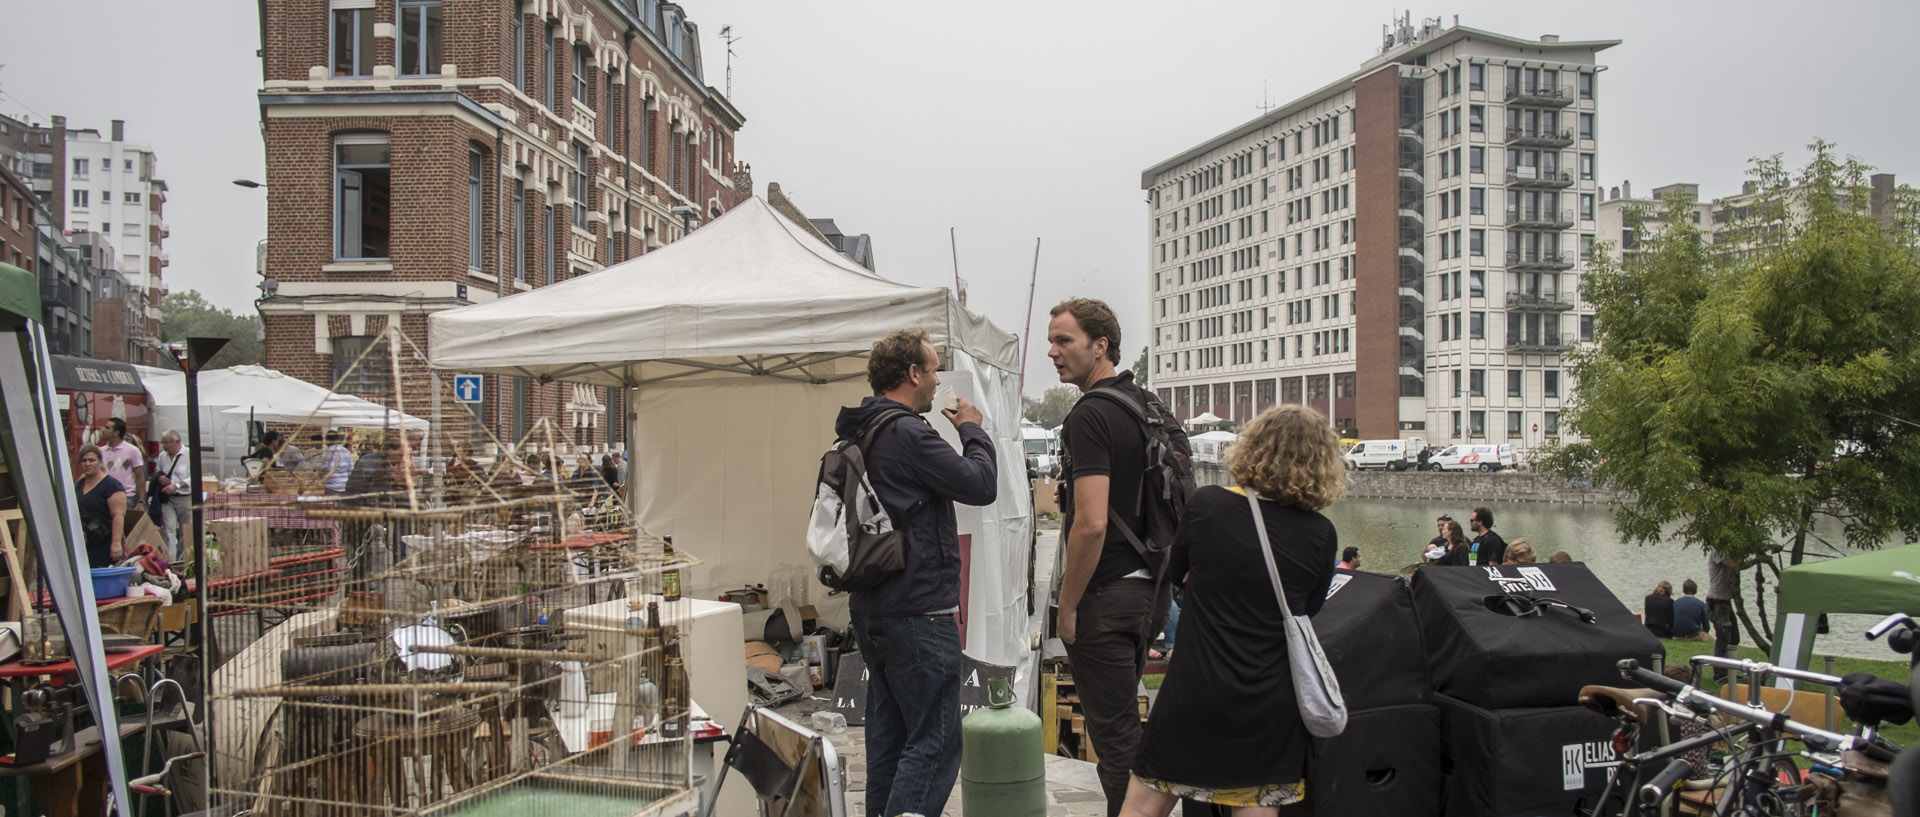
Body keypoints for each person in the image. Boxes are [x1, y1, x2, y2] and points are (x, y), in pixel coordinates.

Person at [1124, 405, 1343, 815]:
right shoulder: (1321, 534)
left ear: (1252, 449)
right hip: (1268, 708)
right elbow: (1307, 609)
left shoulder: (1209, 505)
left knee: (1141, 808)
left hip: (1196, 693)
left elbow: (1177, 574)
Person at [837, 329, 997, 817]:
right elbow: (979, 484)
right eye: (931, 371)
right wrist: (972, 428)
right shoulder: (908, 432)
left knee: (889, 737)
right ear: (912, 374)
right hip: (919, 610)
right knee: (937, 739)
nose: (935, 382)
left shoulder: (858, 431)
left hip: (874, 607)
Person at [1048, 298, 1173, 815]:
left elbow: (1092, 523)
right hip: (1152, 588)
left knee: (1116, 739)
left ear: (1100, 346)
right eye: (1051, 342)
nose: (1053, 353)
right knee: (1131, 725)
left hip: (1107, 594)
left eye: (1064, 341)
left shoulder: (1091, 414)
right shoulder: (1147, 405)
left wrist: (1069, 606)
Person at [74, 445, 126, 568]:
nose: (87, 464)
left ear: (100, 462)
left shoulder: (111, 485)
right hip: (85, 541)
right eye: (84, 460)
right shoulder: (79, 484)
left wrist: (116, 543)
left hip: (104, 541)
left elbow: (118, 516)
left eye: (91, 460)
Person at [151, 430, 193, 561]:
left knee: (185, 530)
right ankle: (171, 561)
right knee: (168, 529)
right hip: (167, 499)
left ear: (176, 442)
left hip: (184, 497)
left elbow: (196, 476)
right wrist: (160, 478)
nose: (164, 446)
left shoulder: (189, 454)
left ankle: (183, 560)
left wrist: (178, 485)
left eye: (167, 443)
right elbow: (158, 471)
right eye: (163, 442)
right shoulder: (163, 456)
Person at [97, 417, 145, 519]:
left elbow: (139, 476)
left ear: (116, 433)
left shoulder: (132, 451)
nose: (103, 430)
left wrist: (141, 501)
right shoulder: (101, 451)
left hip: (126, 496)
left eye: (107, 428)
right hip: (105, 496)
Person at [1706, 550, 1741, 683]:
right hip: (1717, 602)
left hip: (1726, 602)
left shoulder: (1728, 551)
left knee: (1734, 638)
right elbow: (1734, 565)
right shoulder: (1718, 552)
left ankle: (1729, 671)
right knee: (1723, 639)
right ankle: (1719, 674)